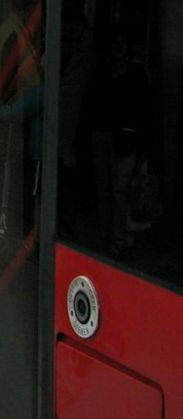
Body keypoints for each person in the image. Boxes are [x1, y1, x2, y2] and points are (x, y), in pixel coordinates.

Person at [80, 26, 153, 257]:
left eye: (124, 42)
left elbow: (146, 110)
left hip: (126, 138)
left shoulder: (137, 75)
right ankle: (106, 236)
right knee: (104, 189)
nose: (120, 47)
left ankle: (118, 238)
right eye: (116, 42)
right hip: (100, 134)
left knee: (119, 190)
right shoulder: (99, 74)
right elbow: (89, 107)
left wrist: (144, 143)